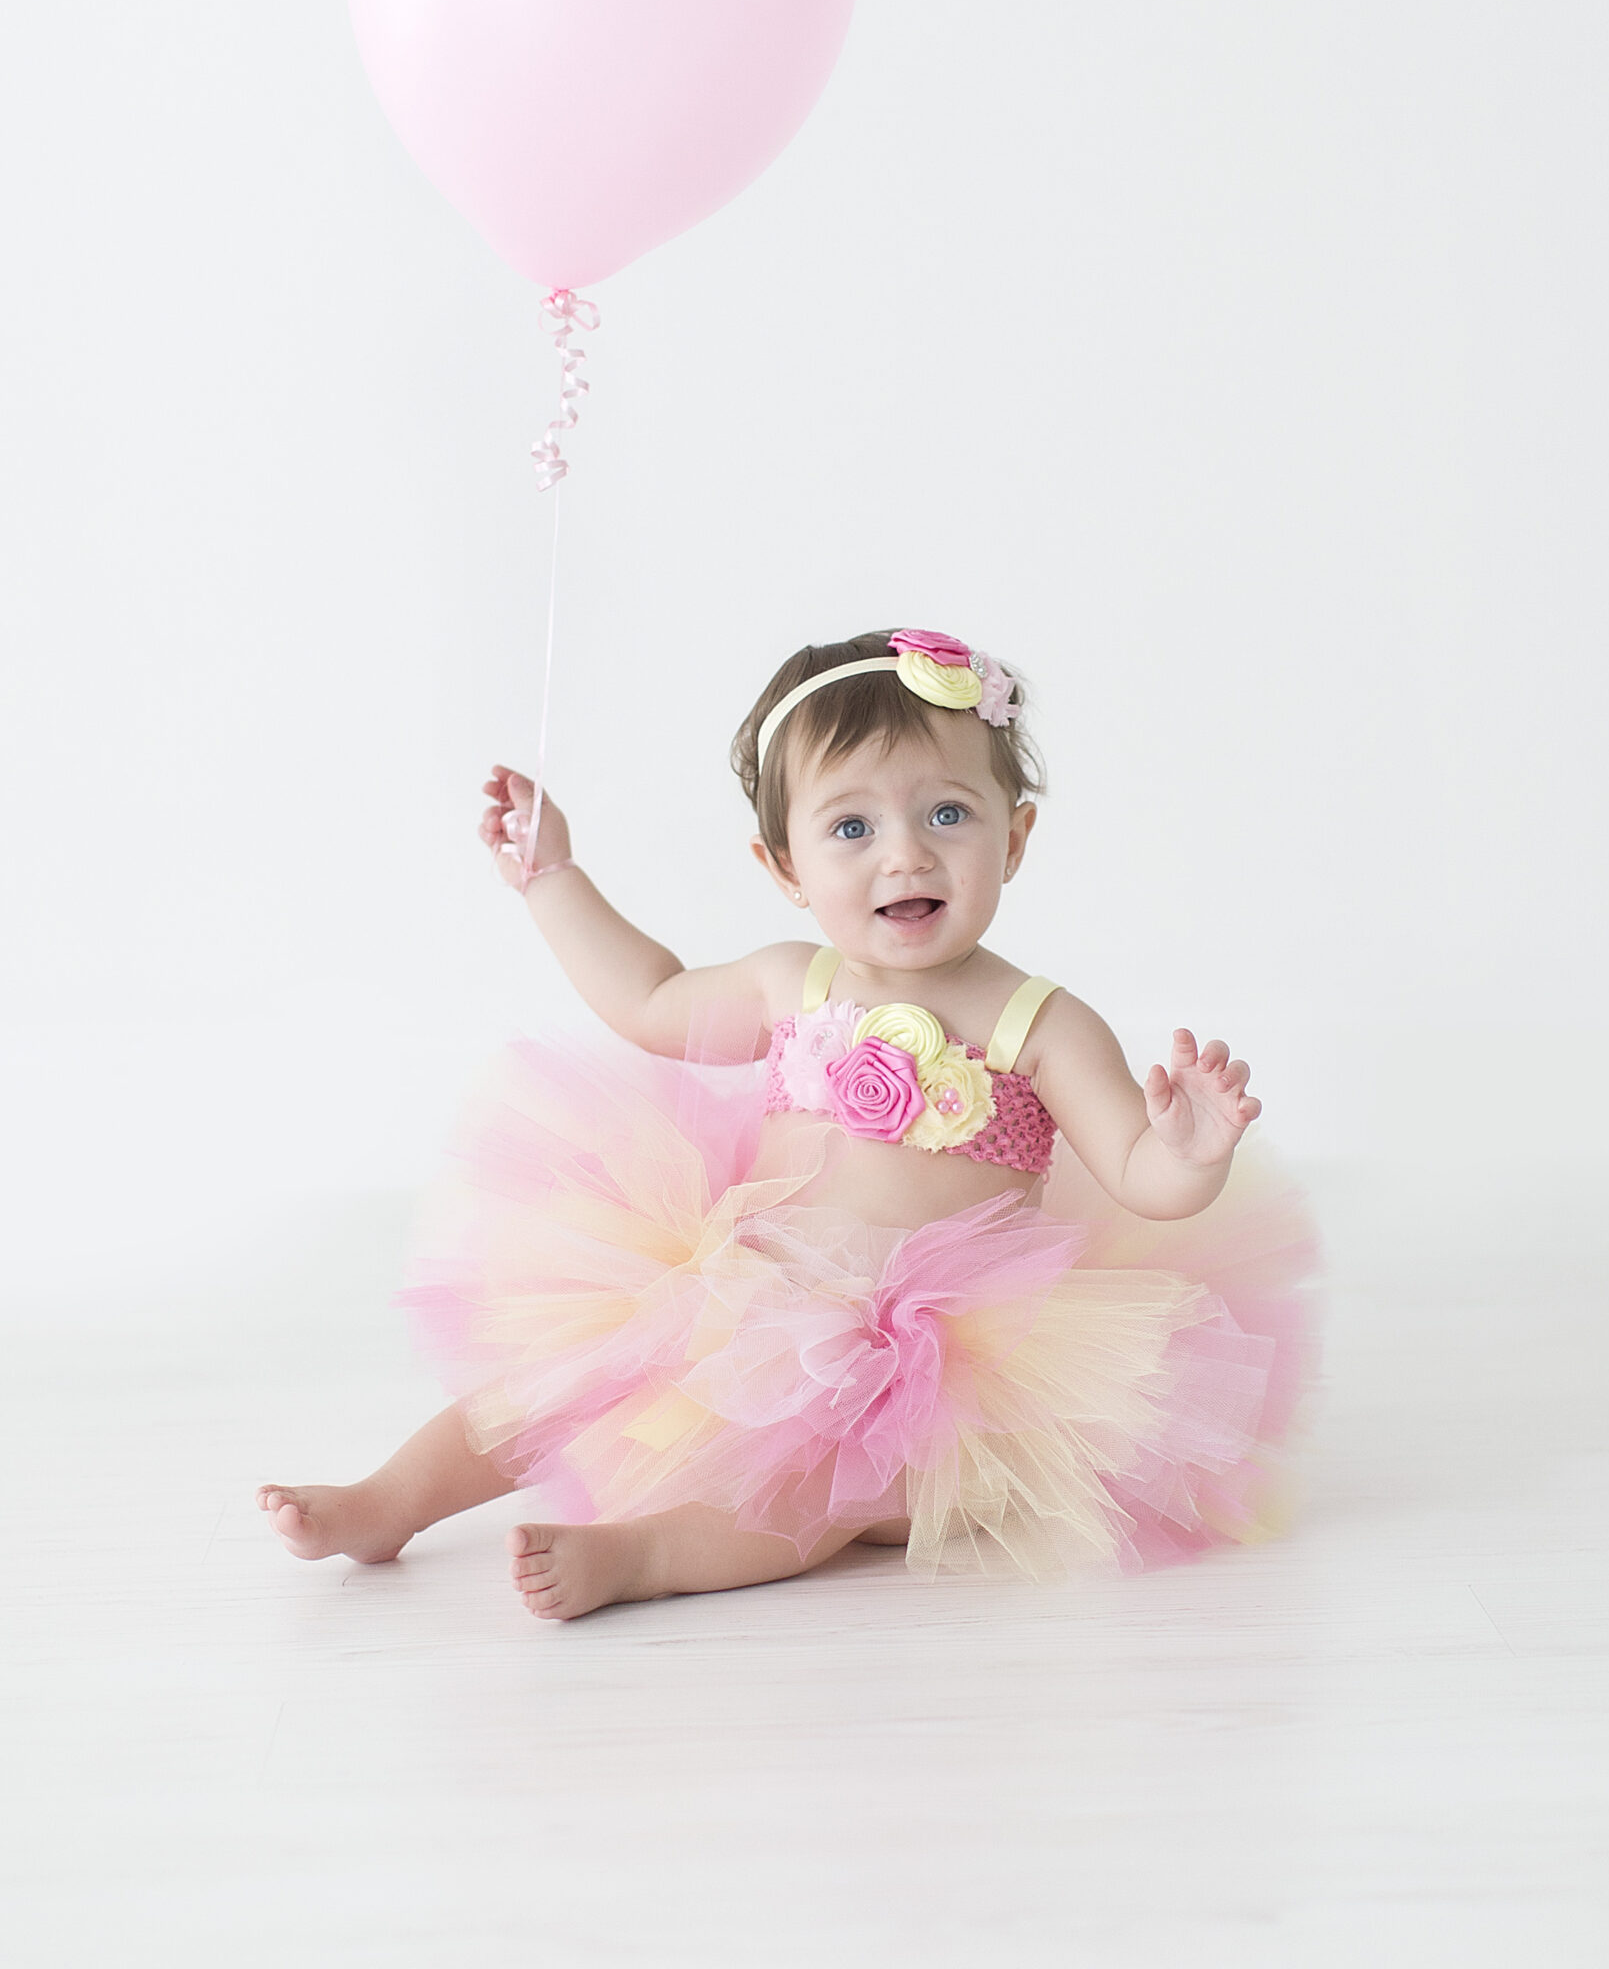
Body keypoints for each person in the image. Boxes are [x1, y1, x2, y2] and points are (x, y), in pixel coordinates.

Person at [259, 628, 1320, 1620]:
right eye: (851, 828)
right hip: (749, 1287)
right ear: (783, 868)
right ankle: (386, 1500)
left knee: (824, 1489)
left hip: (932, 1366)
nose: (904, 856)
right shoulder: (789, 981)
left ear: (1015, 835)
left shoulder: (1038, 1022)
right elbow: (648, 998)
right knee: (565, 1378)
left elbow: (1136, 1170)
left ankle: (645, 1556)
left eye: (947, 814)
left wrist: (1187, 1153)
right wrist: (551, 878)